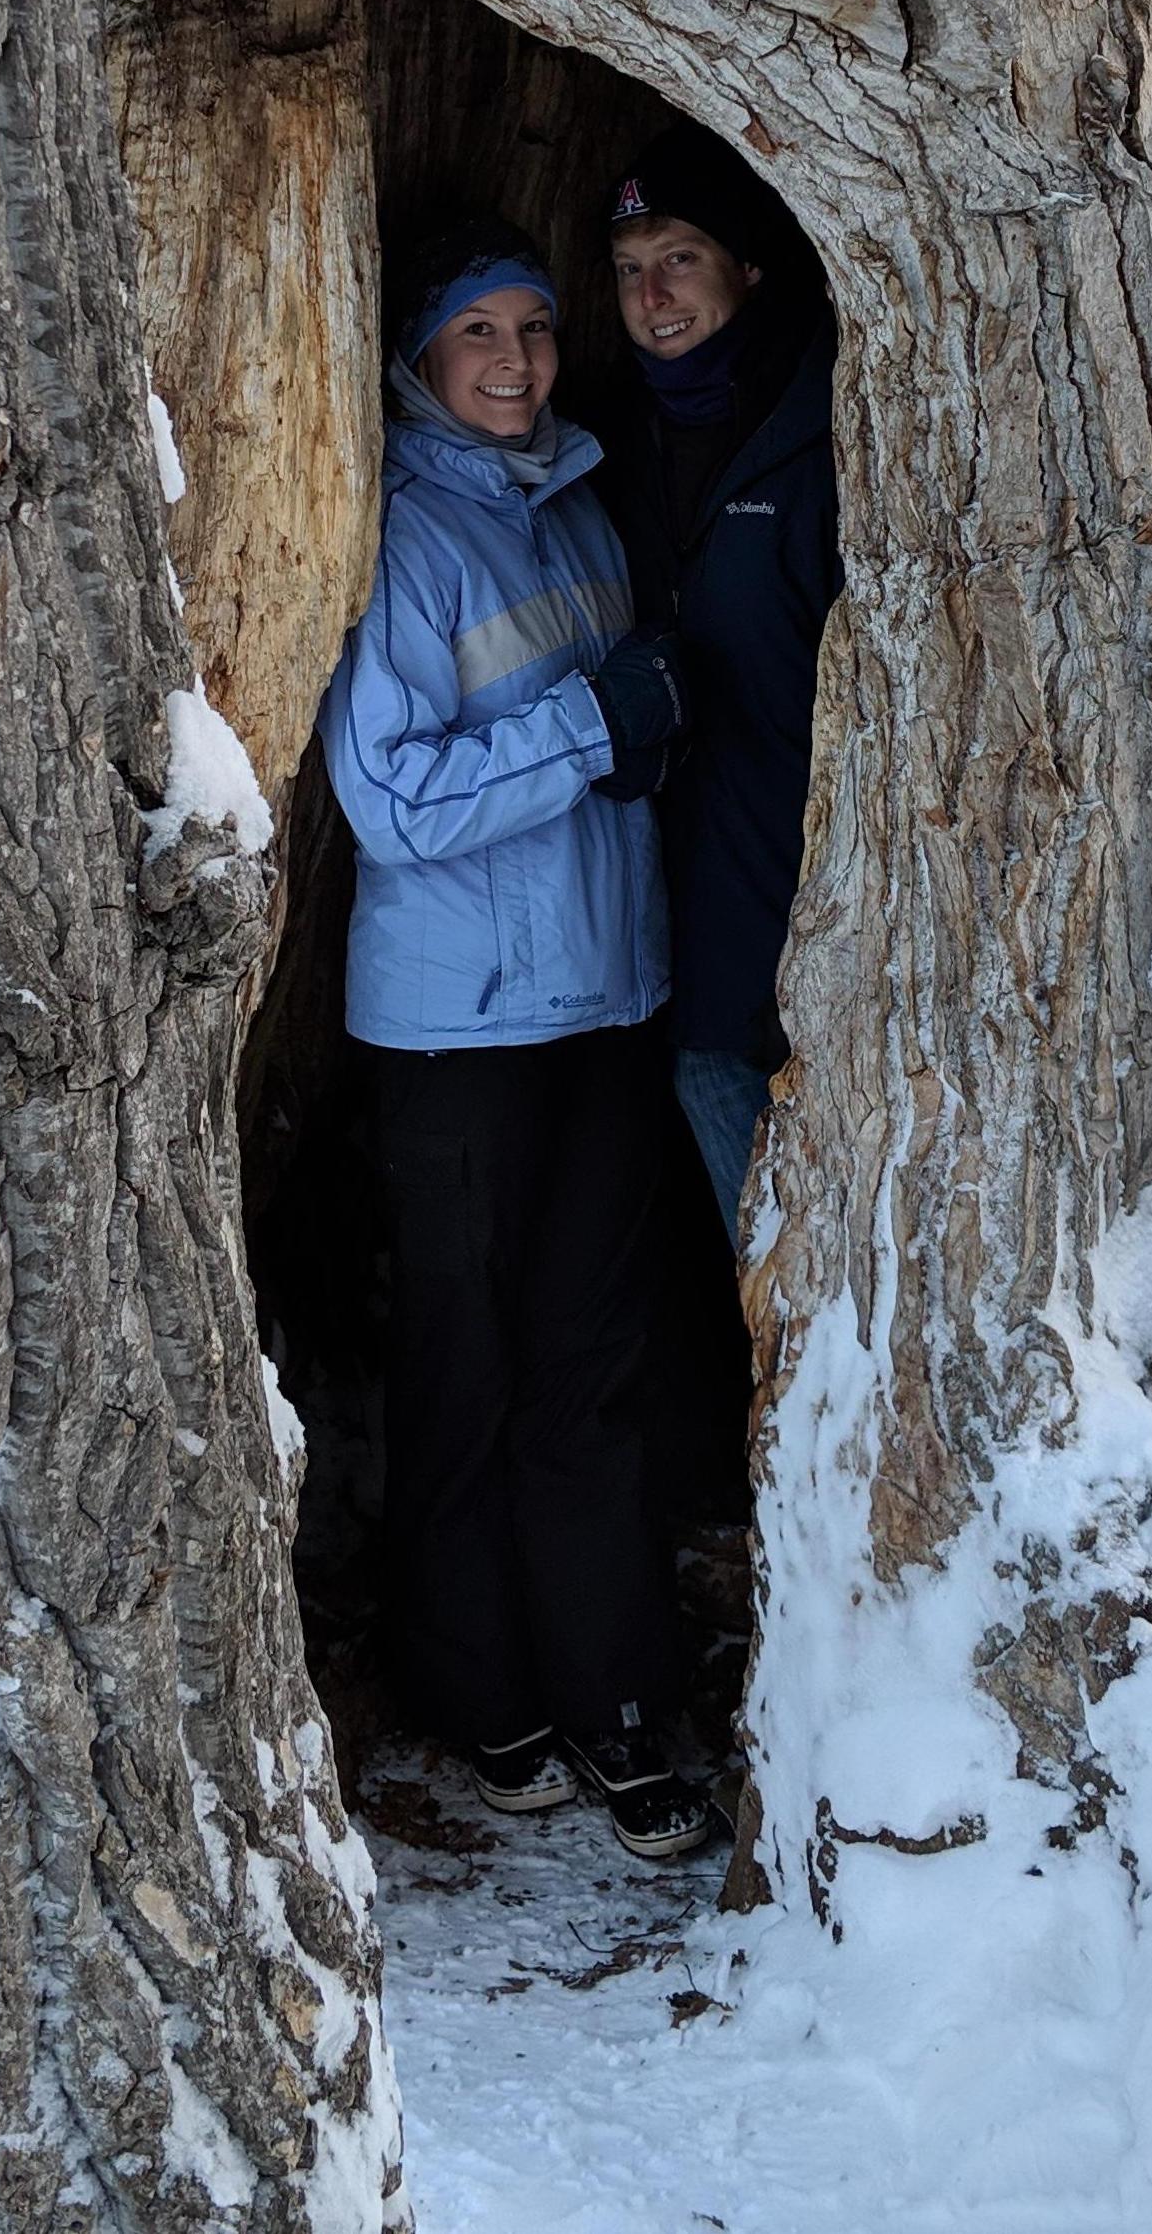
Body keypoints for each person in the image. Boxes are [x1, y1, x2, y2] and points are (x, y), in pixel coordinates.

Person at [317, 218, 711, 1863]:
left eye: (535, 329)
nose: (513, 360)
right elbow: (390, 796)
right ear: (419, 356)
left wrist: (643, 737)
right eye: (475, 330)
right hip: (451, 1036)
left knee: (588, 1365)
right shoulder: (407, 533)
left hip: (602, 1007)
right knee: (467, 1371)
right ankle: (479, 1696)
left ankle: (613, 1698)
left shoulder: (581, 501)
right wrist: (589, 727)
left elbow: (615, 748)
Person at [598, 126, 843, 1233]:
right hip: (683, 942)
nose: (651, 293)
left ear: (746, 265)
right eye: (625, 267)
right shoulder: (608, 444)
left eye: (679, 257)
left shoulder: (825, 428)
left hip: (824, 929)